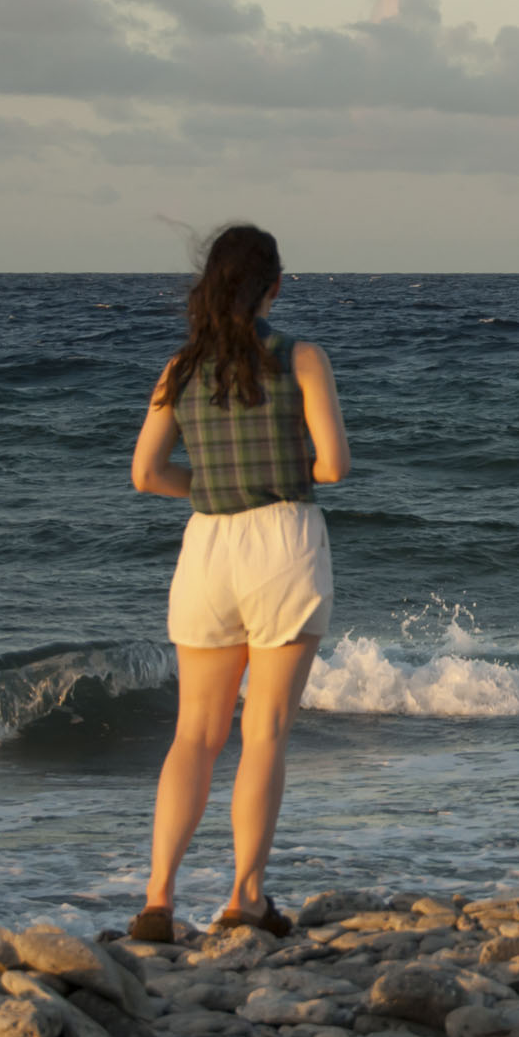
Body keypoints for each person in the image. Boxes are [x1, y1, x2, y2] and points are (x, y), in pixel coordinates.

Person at [127, 225, 349, 940]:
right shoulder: (301, 357)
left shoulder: (180, 368)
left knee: (193, 734)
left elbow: (146, 475)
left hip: (207, 549)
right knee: (264, 733)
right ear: (274, 288)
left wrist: (214, 480)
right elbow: (334, 467)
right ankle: (244, 898)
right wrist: (273, 473)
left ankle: (157, 900)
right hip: (282, 541)